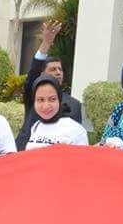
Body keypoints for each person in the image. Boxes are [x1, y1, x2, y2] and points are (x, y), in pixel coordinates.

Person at [16, 20, 83, 150]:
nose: (58, 72)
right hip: (24, 155)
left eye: (60, 69)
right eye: (53, 69)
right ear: (42, 74)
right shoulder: (33, 95)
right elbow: (33, 73)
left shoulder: (74, 105)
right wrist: (46, 43)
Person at [22, 74, 89, 150]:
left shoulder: (76, 130)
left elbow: (83, 157)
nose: (46, 106)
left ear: (60, 100)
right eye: (40, 100)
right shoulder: (36, 126)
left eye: (52, 99)